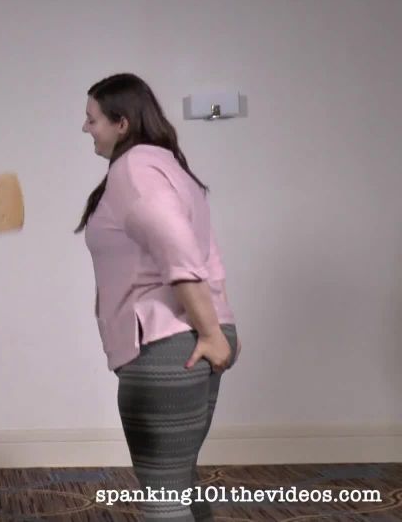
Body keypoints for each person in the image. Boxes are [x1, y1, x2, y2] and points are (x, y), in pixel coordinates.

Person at [77, 72, 240, 521]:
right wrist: (216, 329)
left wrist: (209, 332)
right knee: (179, 484)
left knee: (164, 499)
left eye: (92, 119)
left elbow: (176, 248)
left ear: (122, 123)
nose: (85, 127)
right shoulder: (169, 166)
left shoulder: (134, 169)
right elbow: (203, 253)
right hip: (195, 337)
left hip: (166, 345)